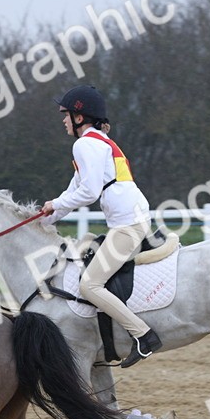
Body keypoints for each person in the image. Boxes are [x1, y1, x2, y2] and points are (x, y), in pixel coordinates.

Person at [40, 85, 162, 368]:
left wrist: (54, 204)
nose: (63, 121)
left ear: (79, 117)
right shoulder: (99, 141)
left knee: (90, 285)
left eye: (66, 115)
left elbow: (89, 192)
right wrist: (46, 218)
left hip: (128, 225)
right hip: (132, 219)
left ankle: (144, 336)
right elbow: (74, 191)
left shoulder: (84, 144)